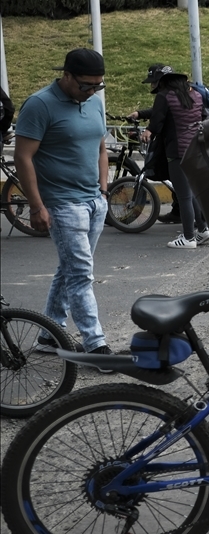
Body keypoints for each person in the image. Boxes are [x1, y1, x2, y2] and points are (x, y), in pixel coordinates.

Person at [13, 48, 114, 362]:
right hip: (62, 204)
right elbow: (23, 157)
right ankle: (96, 345)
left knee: (70, 270)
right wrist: (36, 206)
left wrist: (103, 187)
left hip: (94, 203)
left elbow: (100, 145)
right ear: (67, 75)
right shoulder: (40, 104)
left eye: (97, 86)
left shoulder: (94, 103)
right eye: (86, 85)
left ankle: (48, 334)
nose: (91, 91)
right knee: (81, 274)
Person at [129, 65, 209, 248]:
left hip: (177, 152)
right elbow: (200, 115)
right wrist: (142, 114)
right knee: (191, 193)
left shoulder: (165, 96)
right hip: (196, 150)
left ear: (162, 82)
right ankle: (203, 230)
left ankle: (188, 238)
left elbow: (158, 119)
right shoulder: (194, 95)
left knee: (184, 196)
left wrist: (148, 131)